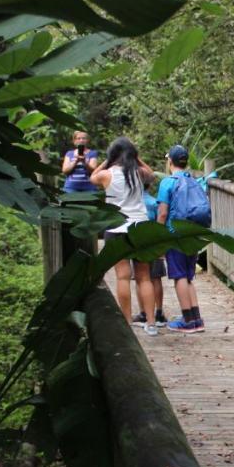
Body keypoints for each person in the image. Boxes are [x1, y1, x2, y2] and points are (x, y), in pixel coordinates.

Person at [89, 137, 159, 334]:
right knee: (144, 277)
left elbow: (92, 177)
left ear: (113, 156)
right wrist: (137, 159)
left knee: (122, 277)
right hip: (140, 227)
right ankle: (151, 323)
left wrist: (107, 160)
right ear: (133, 155)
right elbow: (152, 175)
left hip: (116, 228)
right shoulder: (139, 173)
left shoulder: (106, 175)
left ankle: (127, 322)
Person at [156, 144, 209, 333]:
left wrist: (158, 237)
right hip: (192, 232)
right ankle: (196, 319)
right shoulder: (193, 180)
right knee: (188, 276)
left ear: (170, 160)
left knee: (179, 276)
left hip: (175, 233)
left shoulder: (168, 182)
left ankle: (187, 321)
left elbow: (162, 213)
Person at [133, 184, 168, 329]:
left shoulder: (134, 202)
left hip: (139, 242)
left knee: (140, 278)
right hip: (154, 242)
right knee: (156, 277)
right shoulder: (154, 202)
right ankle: (159, 312)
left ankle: (143, 313)